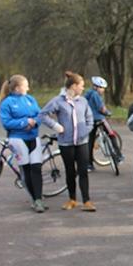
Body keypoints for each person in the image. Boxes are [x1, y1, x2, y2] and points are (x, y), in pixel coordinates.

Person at [40, 71, 96, 212]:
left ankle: (87, 201)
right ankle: (72, 199)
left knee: (83, 171)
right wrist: (56, 126)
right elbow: (42, 115)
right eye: (81, 85)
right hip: (66, 143)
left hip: (82, 142)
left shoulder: (83, 101)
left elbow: (90, 119)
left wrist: (85, 131)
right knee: (70, 171)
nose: (83, 88)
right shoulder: (58, 101)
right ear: (73, 86)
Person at [0, 74, 46, 213]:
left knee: (37, 168)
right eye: (26, 86)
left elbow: (40, 115)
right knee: (27, 170)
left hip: (34, 137)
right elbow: (6, 123)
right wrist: (24, 122)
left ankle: (38, 199)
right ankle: (35, 200)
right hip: (17, 139)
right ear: (17, 88)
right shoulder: (7, 103)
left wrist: (34, 122)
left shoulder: (30, 99)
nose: (28, 88)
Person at [84, 75, 124, 171]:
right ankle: (118, 156)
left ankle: (89, 164)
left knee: (90, 142)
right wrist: (107, 113)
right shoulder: (95, 95)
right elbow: (101, 108)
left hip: (90, 120)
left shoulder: (88, 94)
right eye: (101, 88)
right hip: (99, 119)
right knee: (111, 134)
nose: (103, 90)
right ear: (96, 87)